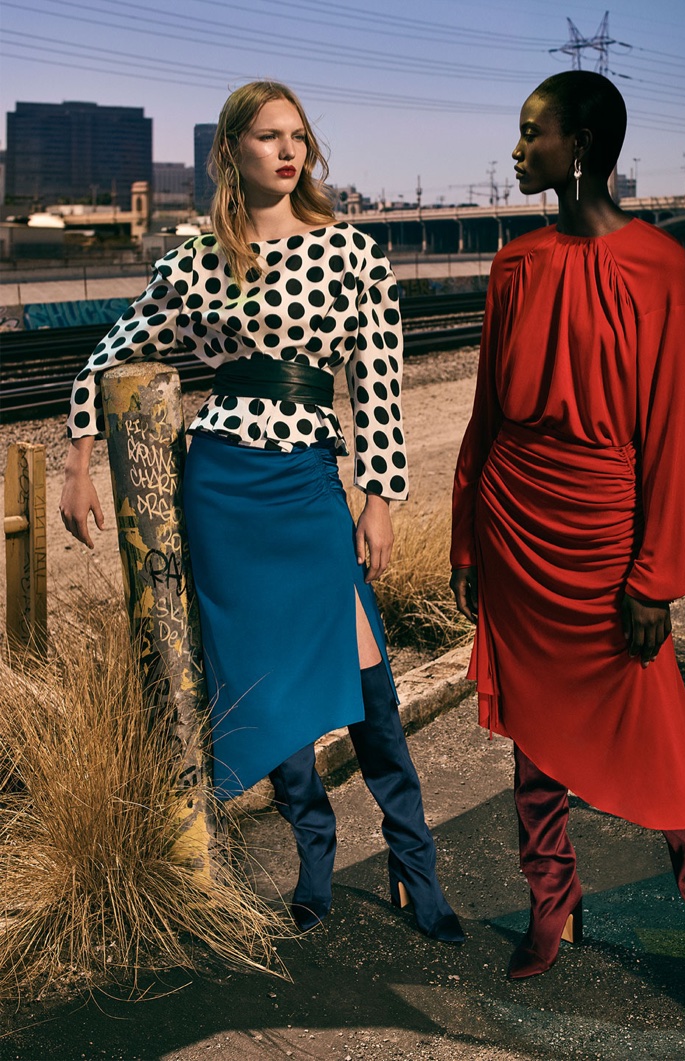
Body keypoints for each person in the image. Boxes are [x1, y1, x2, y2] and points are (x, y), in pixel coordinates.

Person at [60, 80, 463, 945]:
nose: (289, 152)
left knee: (368, 681)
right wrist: (79, 460)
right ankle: (313, 857)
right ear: (231, 150)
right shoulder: (195, 257)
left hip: (311, 485)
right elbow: (106, 356)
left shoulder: (353, 253)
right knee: (264, 684)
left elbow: (379, 390)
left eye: (300, 137)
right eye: (270, 137)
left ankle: (412, 860)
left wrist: (381, 496)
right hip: (223, 489)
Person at [450, 71, 685, 1058]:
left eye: (529, 133)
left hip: (604, 537)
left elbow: (670, 428)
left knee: (666, 764)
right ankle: (551, 903)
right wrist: (463, 536)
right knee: (533, 736)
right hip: (514, 523)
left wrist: (655, 576)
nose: (514, 150)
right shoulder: (514, 264)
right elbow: (486, 416)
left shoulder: (659, 265)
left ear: (576, 144)